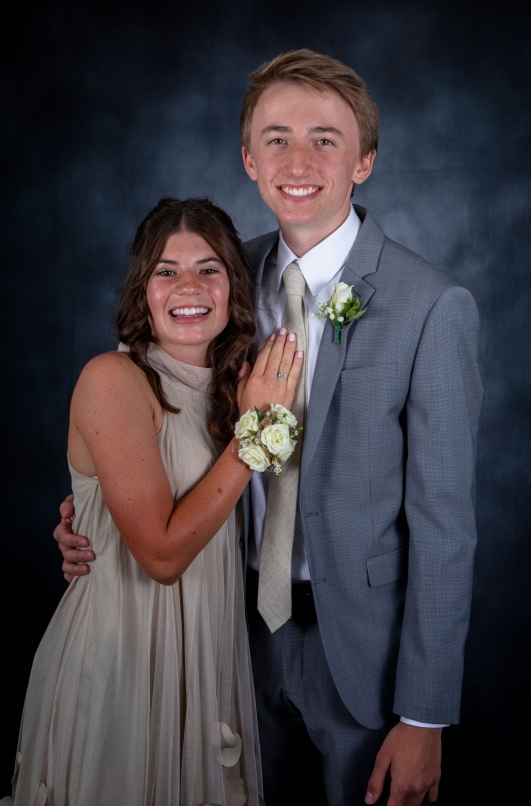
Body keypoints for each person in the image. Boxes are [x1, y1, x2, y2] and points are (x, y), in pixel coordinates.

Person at [53, 50, 483, 806]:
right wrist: (92, 512)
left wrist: (424, 714)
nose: (298, 161)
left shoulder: (430, 306)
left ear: (365, 161)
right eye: (276, 138)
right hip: (228, 629)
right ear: (249, 159)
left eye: (325, 139)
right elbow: (149, 415)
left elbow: (444, 525)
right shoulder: (216, 278)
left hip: (365, 655)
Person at [4, 196, 304, 806]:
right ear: (143, 290)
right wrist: (257, 432)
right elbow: (162, 556)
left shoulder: (237, 386)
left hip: (205, 653)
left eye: (208, 268)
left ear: (233, 287)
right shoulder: (113, 379)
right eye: (166, 270)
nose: (188, 287)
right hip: (124, 659)